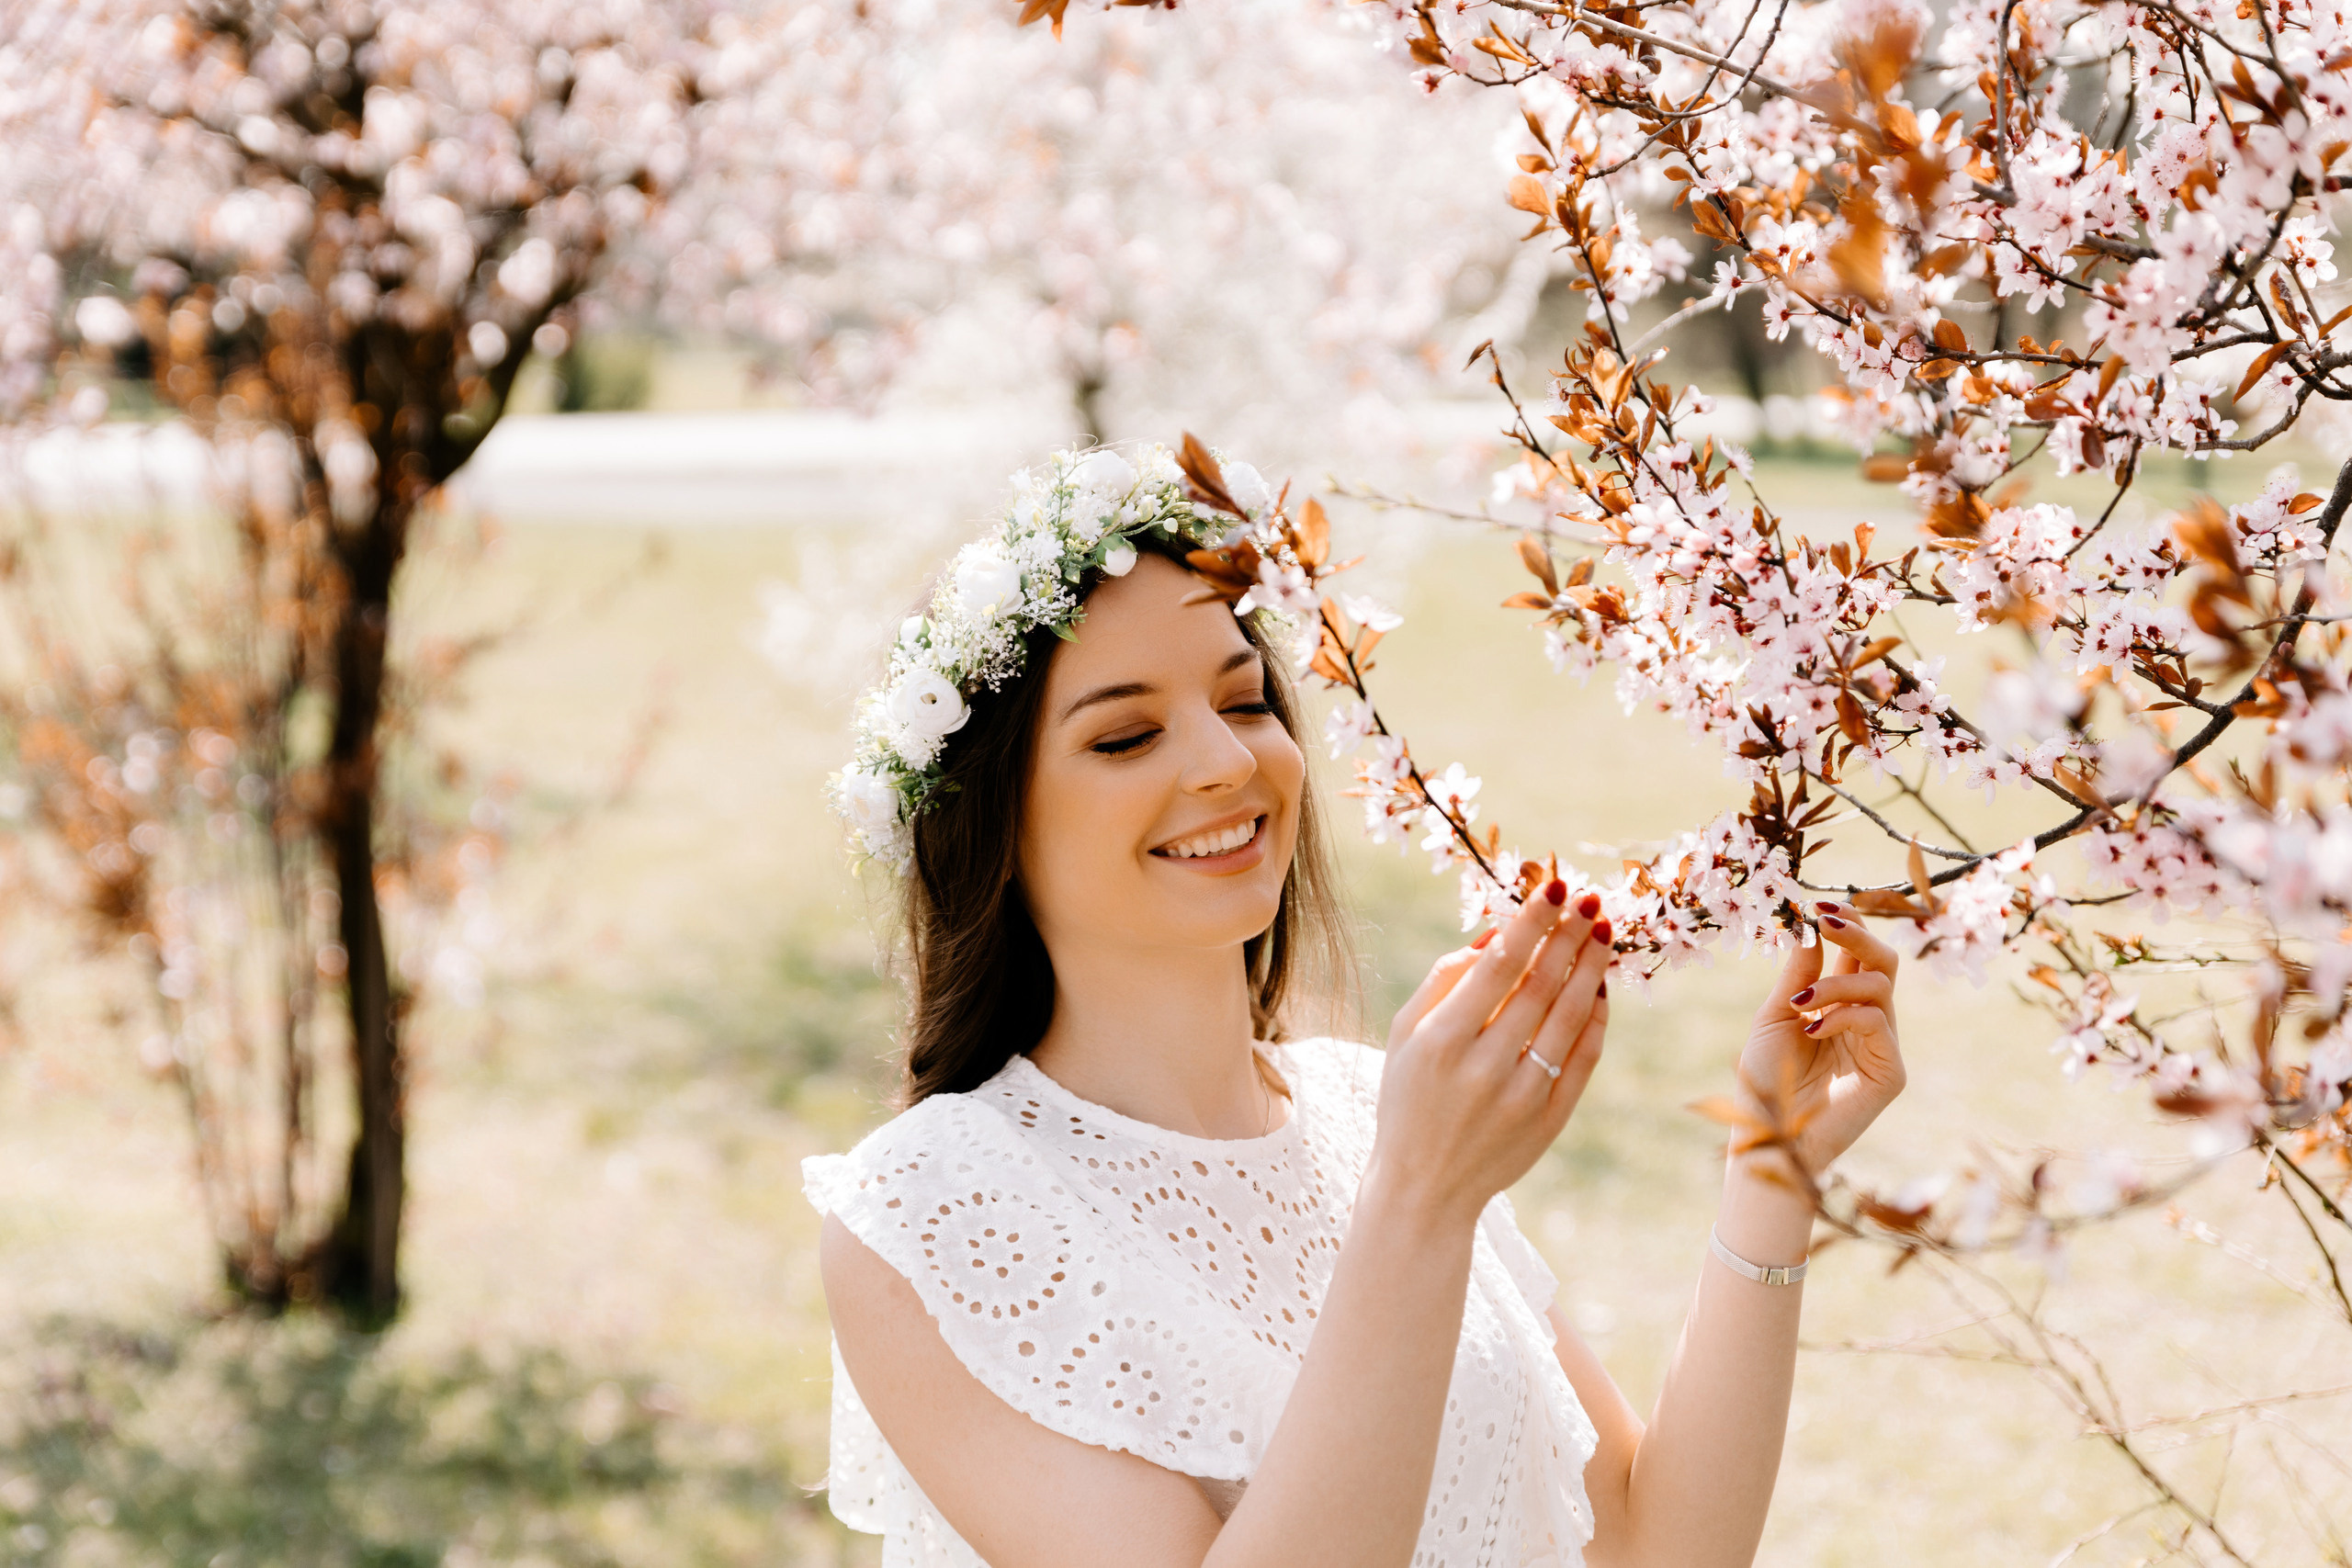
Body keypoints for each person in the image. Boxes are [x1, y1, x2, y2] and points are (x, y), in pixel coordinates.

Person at [803, 441, 1909, 1567]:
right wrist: (1420, 1200)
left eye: (1243, 702)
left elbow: (1655, 1546)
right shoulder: (926, 1217)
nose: (1226, 763)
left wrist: (1772, 1172)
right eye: (1126, 734)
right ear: (993, 834)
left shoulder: (1368, 1109)